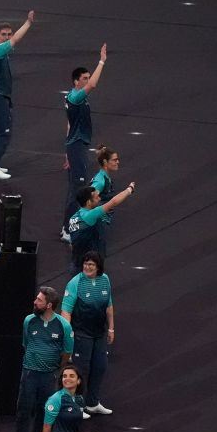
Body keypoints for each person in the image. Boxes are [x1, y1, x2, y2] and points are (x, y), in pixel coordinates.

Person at [5, 287, 73, 432]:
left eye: (39, 300)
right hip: (29, 374)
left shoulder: (63, 326)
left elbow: (66, 353)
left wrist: (55, 370)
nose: (35, 302)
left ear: (49, 305)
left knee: (44, 415)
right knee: (23, 413)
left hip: (49, 375)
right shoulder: (29, 321)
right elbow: (26, 344)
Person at [0, 11, 36, 180]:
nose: (7, 37)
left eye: (8, 34)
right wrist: (28, 23)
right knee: (4, 132)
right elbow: (16, 40)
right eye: (3, 35)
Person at [62, 251, 115, 415]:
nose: (87, 267)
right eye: (85, 264)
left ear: (98, 267)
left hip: (99, 333)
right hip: (81, 333)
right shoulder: (75, 283)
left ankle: (92, 403)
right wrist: (68, 336)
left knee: (100, 366)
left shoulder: (105, 280)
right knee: (80, 371)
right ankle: (75, 405)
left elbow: (109, 306)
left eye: (91, 264)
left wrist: (111, 328)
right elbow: (66, 311)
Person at [63, 46, 109, 229]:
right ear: (76, 82)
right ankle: (68, 228)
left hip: (74, 146)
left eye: (88, 78)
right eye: (85, 78)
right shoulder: (76, 97)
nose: (88, 81)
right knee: (78, 189)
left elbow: (69, 124)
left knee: (74, 187)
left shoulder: (74, 98)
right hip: (77, 146)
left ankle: (69, 225)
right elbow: (94, 85)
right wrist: (102, 61)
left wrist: (67, 153)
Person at [68, 182, 137, 273]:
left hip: (77, 263)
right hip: (89, 267)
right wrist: (130, 189)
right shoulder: (90, 215)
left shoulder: (73, 218)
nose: (99, 199)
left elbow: (72, 244)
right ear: (88, 202)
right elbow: (113, 202)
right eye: (97, 197)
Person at [36, 365, 84, 432]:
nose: (67, 378)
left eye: (72, 376)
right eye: (64, 376)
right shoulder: (55, 399)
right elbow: (46, 427)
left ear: (78, 380)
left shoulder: (79, 399)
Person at [87, 146, 120, 253]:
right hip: (98, 223)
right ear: (105, 162)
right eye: (114, 160)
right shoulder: (100, 181)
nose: (117, 162)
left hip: (101, 221)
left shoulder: (104, 177)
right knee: (97, 255)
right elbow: (88, 200)